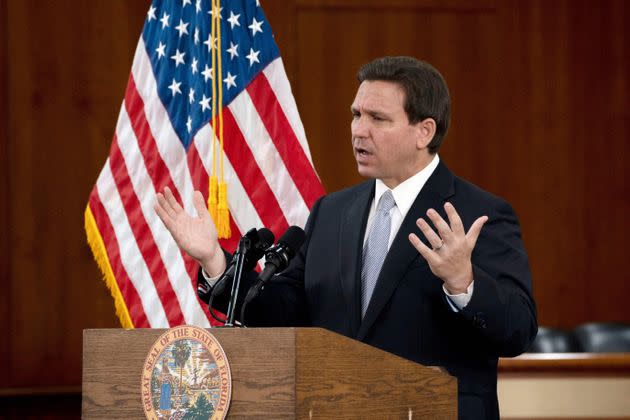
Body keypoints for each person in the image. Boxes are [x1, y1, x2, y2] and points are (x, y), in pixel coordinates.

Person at [155, 56, 537, 419]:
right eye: (356, 114)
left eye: (378, 118)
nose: (358, 129)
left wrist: (463, 282)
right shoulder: (332, 213)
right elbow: (282, 311)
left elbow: (517, 331)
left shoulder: (478, 214)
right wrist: (214, 262)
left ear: (425, 131)